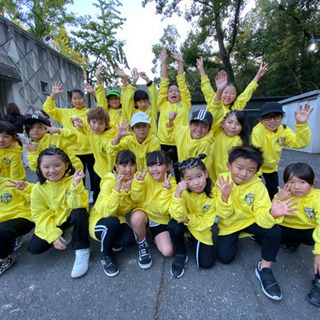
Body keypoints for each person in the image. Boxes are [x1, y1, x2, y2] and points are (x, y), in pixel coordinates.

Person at [215, 145, 298, 301]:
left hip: (250, 220)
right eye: (239, 167)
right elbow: (220, 214)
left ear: (257, 171)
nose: (244, 174)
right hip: (229, 223)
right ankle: (248, 236)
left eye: (250, 170)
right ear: (229, 165)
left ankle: (264, 268)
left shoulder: (258, 186)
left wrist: (272, 213)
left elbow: (261, 214)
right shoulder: (222, 180)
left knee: (274, 229)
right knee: (225, 258)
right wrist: (224, 198)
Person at [28, 148, 90, 278]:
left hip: (70, 216)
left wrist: (76, 185)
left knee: (79, 212)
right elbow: (39, 215)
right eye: (46, 167)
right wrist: (53, 235)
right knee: (35, 248)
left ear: (66, 165)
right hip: (54, 222)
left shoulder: (73, 180)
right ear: (39, 167)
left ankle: (82, 249)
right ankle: (63, 234)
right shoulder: (37, 189)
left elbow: (78, 205)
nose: (52, 171)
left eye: (57, 165)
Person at [168, 155, 224, 278]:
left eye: (199, 176)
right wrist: (177, 194)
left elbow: (208, 221)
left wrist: (188, 220)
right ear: (183, 180)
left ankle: (192, 237)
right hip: (183, 222)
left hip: (200, 228)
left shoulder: (214, 193)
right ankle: (180, 253)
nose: (196, 182)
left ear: (206, 174)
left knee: (207, 263)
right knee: (173, 224)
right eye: (189, 179)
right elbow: (177, 216)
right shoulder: (181, 191)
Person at [42, 82, 95, 204]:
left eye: (80, 98)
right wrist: (53, 95)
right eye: (75, 99)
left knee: (93, 174)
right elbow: (47, 108)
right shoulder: (64, 113)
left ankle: (93, 192)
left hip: (92, 149)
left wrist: (93, 92)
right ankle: (80, 192)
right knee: (78, 173)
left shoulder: (90, 112)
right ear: (71, 101)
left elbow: (102, 107)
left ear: (84, 100)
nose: (78, 101)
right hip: (73, 151)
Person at [276, 163, 320, 307]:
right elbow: (272, 215)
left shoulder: (317, 198)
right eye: (291, 182)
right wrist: (278, 199)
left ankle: (318, 282)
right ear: (285, 184)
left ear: (313, 183)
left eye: (302, 182)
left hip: (309, 232)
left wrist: (318, 252)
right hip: (287, 228)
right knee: (265, 237)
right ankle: (292, 242)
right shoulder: (284, 194)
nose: (297, 187)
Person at [89, 150, 137, 277]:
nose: (128, 169)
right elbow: (106, 212)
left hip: (117, 219)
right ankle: (106, 255)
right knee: (112, 223)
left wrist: (126, 194)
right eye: (124, 165)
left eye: (132, 165)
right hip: (99, 219)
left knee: (129, 240)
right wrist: (117, 190)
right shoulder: (109, 181)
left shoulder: (132, 182)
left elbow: (123, 211)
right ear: (116, 166)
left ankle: (111, 239)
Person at [251, 102, 312, 199]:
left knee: (273, 191)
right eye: (267, 117)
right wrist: (255, 175)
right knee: (255, 190)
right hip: (257, 167)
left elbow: (300, 143)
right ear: (260, 120)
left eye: (276, 117)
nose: (272, 121)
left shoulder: (283, 130)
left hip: (272, 168)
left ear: (282, 117)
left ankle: (272, 210)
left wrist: (302, 124)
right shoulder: (257, 131)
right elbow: (256, 154)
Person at [130, 150, 176, 269]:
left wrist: (166, 190)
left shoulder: (172, 184)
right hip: (143, 213)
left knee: (168, 251)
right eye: (151, 165)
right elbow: (135, 198)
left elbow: (164, 210)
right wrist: (139, 183)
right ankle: (142, 244)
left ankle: (154, 235)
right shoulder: (142, 177)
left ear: (168, 167)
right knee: (136, 218)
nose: (154, 169)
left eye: (159, 164)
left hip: (159, 219)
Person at [158, 48, 191, 179]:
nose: (173, 92)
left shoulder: (185, 103)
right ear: (166, 94)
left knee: (180, 170)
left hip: (181, 142)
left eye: (176, 91)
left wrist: (180, 63)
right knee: (163, 171)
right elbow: (163, 82)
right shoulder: (163, 104)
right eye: (170, 90)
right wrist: (164, 63)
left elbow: (182, 84)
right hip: (164, 142)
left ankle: (182, 192)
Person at [72, 106, 117, 202]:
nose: (96, 126)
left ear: (106, 124)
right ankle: (97, 211)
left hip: (109, 172)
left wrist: (110, 173)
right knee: (97, 194)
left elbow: (111, 152)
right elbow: (76, 120)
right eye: (94, 122)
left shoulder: (108, 139)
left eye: (101, 123)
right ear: (89, 122)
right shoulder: (91, 130)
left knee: (108, 194)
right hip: (98, 168)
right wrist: (74, 119)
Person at [196, 57, 268, 115]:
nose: (228, 95)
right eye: (226, 92)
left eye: (232, 93)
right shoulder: (213, 99)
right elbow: (206, 87)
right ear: (221, 92)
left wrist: (258, 75)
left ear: (236, 96)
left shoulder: (236, 107)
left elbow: (248, 91)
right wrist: (201, 69)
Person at [166, 109, 218, 180]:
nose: (199, 129)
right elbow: (171, 131)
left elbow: (201, 168)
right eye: (196, 125)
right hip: (184, 174)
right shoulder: (183, 131)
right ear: (190, 124)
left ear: (209, 130)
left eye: (204, 127)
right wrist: (170, 121)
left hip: (198, 178)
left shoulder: (205, 144)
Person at [0, 173, 34, 276]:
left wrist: (26, 188)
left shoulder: (10, 183)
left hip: (22, 217)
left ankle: (4, 260)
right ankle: (11, 240)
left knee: (2, 231)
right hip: (4, 222)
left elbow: (38, 192)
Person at [209, 110, 250, 182]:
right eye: (230, 122)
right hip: (212, 174)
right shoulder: (217, 132)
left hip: (228, 177)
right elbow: (215, 113)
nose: (233, 127)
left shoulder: (239, 142)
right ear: (222, 123)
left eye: (238, 124)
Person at [119, 68, 158, 133]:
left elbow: (155, 97)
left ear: (148, 101)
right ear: (135, 103)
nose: (143, 104)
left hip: (151, 141)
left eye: (145, 101)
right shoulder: (132, 113)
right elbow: (126, 100)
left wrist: (148, 81)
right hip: (135, 141)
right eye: (140, 102)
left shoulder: (152, 111)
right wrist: (133, 82)